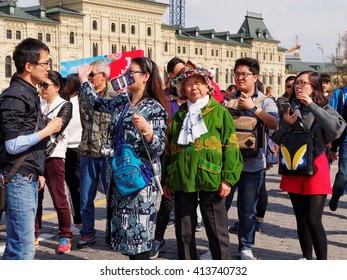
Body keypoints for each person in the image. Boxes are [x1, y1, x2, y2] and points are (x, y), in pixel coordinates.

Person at [78, 56, 169, 260]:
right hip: (120, 175)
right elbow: (97, 103)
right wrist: (84, 80)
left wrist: (148, 132)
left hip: (141, 180)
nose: (127, 76)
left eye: (132, 72)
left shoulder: (155, 108)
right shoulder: (122, 100)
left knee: (140, 234)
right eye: (126, 72)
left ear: (146, 76)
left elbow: (157, 149)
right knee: (126, 235)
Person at [162, 61, 243, 260]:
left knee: (217, 231)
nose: (194, 87)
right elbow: (170, 150)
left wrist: (228, 179)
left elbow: (231, 147)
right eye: (188, 84)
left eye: (198, 82)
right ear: (182, 89)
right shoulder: (180, 115)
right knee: (184, 232)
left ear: (207, 86)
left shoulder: (219, 112)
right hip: (183, 179)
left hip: (212, 177)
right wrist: (167, 179)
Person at [272, 71, 346, 260]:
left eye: (303, 83)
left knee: (313, 219)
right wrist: (286, 125)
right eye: (296, 83)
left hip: (317, 166)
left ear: (313, 87)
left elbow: (337, 128)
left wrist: (311, 105)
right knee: (301, 219)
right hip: (294, 165)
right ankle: (306, 258)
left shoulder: (324, 107)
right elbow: (276, 139)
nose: (298, 86)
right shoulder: (288, 108)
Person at [0, 37, 62, 260]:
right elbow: (13, 144)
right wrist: (49, 129)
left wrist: (38, 171)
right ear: (29, 66)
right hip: (18, 179)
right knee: (23, 250)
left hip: (27, 177)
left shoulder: (28, 92)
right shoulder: (15, 96)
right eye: (45, 63)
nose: (49, 68)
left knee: (18, 248)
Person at [229, 57, 279, 260]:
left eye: (244, 74)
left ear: (255, 77)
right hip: (229, 163)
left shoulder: (266, 101)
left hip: (253, 163)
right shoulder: (228, 100)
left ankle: (246, 247)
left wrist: (253, 107)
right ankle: (218, 246)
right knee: (221, 208)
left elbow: (274, 124)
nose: (240, 77)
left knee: (248, 209)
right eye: (237, 74)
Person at [150, 56, 185, 259]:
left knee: (188, 207)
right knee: (167, 201)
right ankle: (158, 238)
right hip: (168, 156)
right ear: (170, 76)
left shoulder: (194, 99)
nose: (183, 77)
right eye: (179, 73)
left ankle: (185, 242)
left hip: (190, 159)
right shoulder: (163, 98)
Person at [77, 59, 115, 248]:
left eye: (92, 75)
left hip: (108, 155)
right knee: (85, 197)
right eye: (88, 75)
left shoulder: (114, 96)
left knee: (112, 197)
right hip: (87, 152)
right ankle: (87, 232)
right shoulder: (83, 95)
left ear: (104, 76)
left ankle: (112, 233)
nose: (89, 78)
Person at [35, 71, 73, 253]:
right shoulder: (38, 104)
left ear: (57, 87)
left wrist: (36, 121)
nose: (42, 88)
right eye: (40, 85)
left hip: (54, 156)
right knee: (35, 198)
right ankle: (34, 234)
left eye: (45, 85)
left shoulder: (65, 105)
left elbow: (59, 126)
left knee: (59, 198)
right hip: (35, 155)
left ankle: (65, 235)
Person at [61, 74, 83, 232]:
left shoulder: (65, 104)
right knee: (85, 188)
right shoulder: (84, 103)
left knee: (73, 188)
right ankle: (87, 222)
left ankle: (78, 222)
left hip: (68, 149)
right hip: (83, 149)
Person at [328, 84, 347, 211]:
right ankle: (336, 194)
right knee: (344, 174)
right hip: (345, 140)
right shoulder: (340, 93)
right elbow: (334, 119)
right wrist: (333, 145)